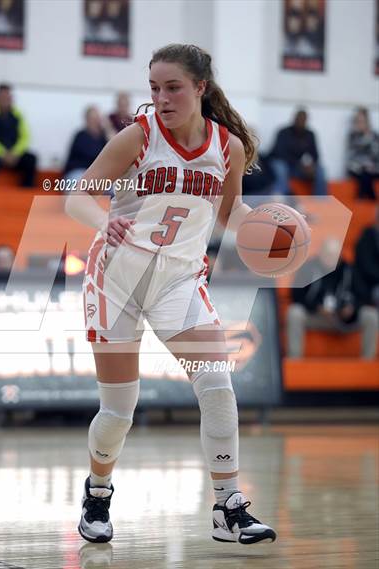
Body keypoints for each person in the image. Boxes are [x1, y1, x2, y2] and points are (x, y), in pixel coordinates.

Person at [65, 43, 276, 546]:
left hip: (179, 281)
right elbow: (76, 195)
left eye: (173, 87)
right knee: (119, 410)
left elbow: (229, 214)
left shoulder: (228, 147)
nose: (161, 97)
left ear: (201, 87)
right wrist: (104, 220)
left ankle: (228, 507)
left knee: (219, 389)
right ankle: (98, 492)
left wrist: (271, 224)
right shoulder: (137, 136)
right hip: (116, 280)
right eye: (154, 88)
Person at [287, 238, 378, 359]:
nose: (331, 259)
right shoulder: (308, 268)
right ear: (320, 253)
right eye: (327, 255)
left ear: (340, 255)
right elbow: (296, 295)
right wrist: (316, 307)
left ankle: (368, 362)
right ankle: (294, 360)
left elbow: (363, 295)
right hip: (317, 316)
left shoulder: (349, 270)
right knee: (294, 312)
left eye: (334, 255)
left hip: (343, 319)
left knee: (371, 315)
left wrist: (352, 308)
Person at [269, 108, 327, 196]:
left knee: (320, 169)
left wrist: (311, 165)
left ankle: (320, 199)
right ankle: (282, 194)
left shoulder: (310, 135)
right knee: (280, 167)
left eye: (304, 119)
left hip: (297, 168)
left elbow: (315, 155)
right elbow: (279, 153)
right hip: (283, 164)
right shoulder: (283, 132)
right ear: (294, 119)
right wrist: (300, 164)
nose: (301, 121)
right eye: (299, 119)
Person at [63, 106, 115, 184]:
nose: (95, 121)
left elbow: (116, 147)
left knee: (115, 187)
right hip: (79, 172)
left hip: (97, 175)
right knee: (79, 185)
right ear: (86, 120)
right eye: (92, 119)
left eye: (97, 119)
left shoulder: (103, 137)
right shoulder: (80, 135)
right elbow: (93, 154)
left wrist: (108, 127)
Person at [346, 107, 379, 200]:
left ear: (367, 121)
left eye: (362, 121)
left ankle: (360, 198)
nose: (359, 123)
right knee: (365, 175)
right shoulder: (353, 135)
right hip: (356, 167)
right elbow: (352, 154)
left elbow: (376, 154)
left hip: (372, 167)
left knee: (367, 174)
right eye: (357, 121)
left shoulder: (374, 135)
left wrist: (370, 165)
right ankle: (372, 199)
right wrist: (364, 164)